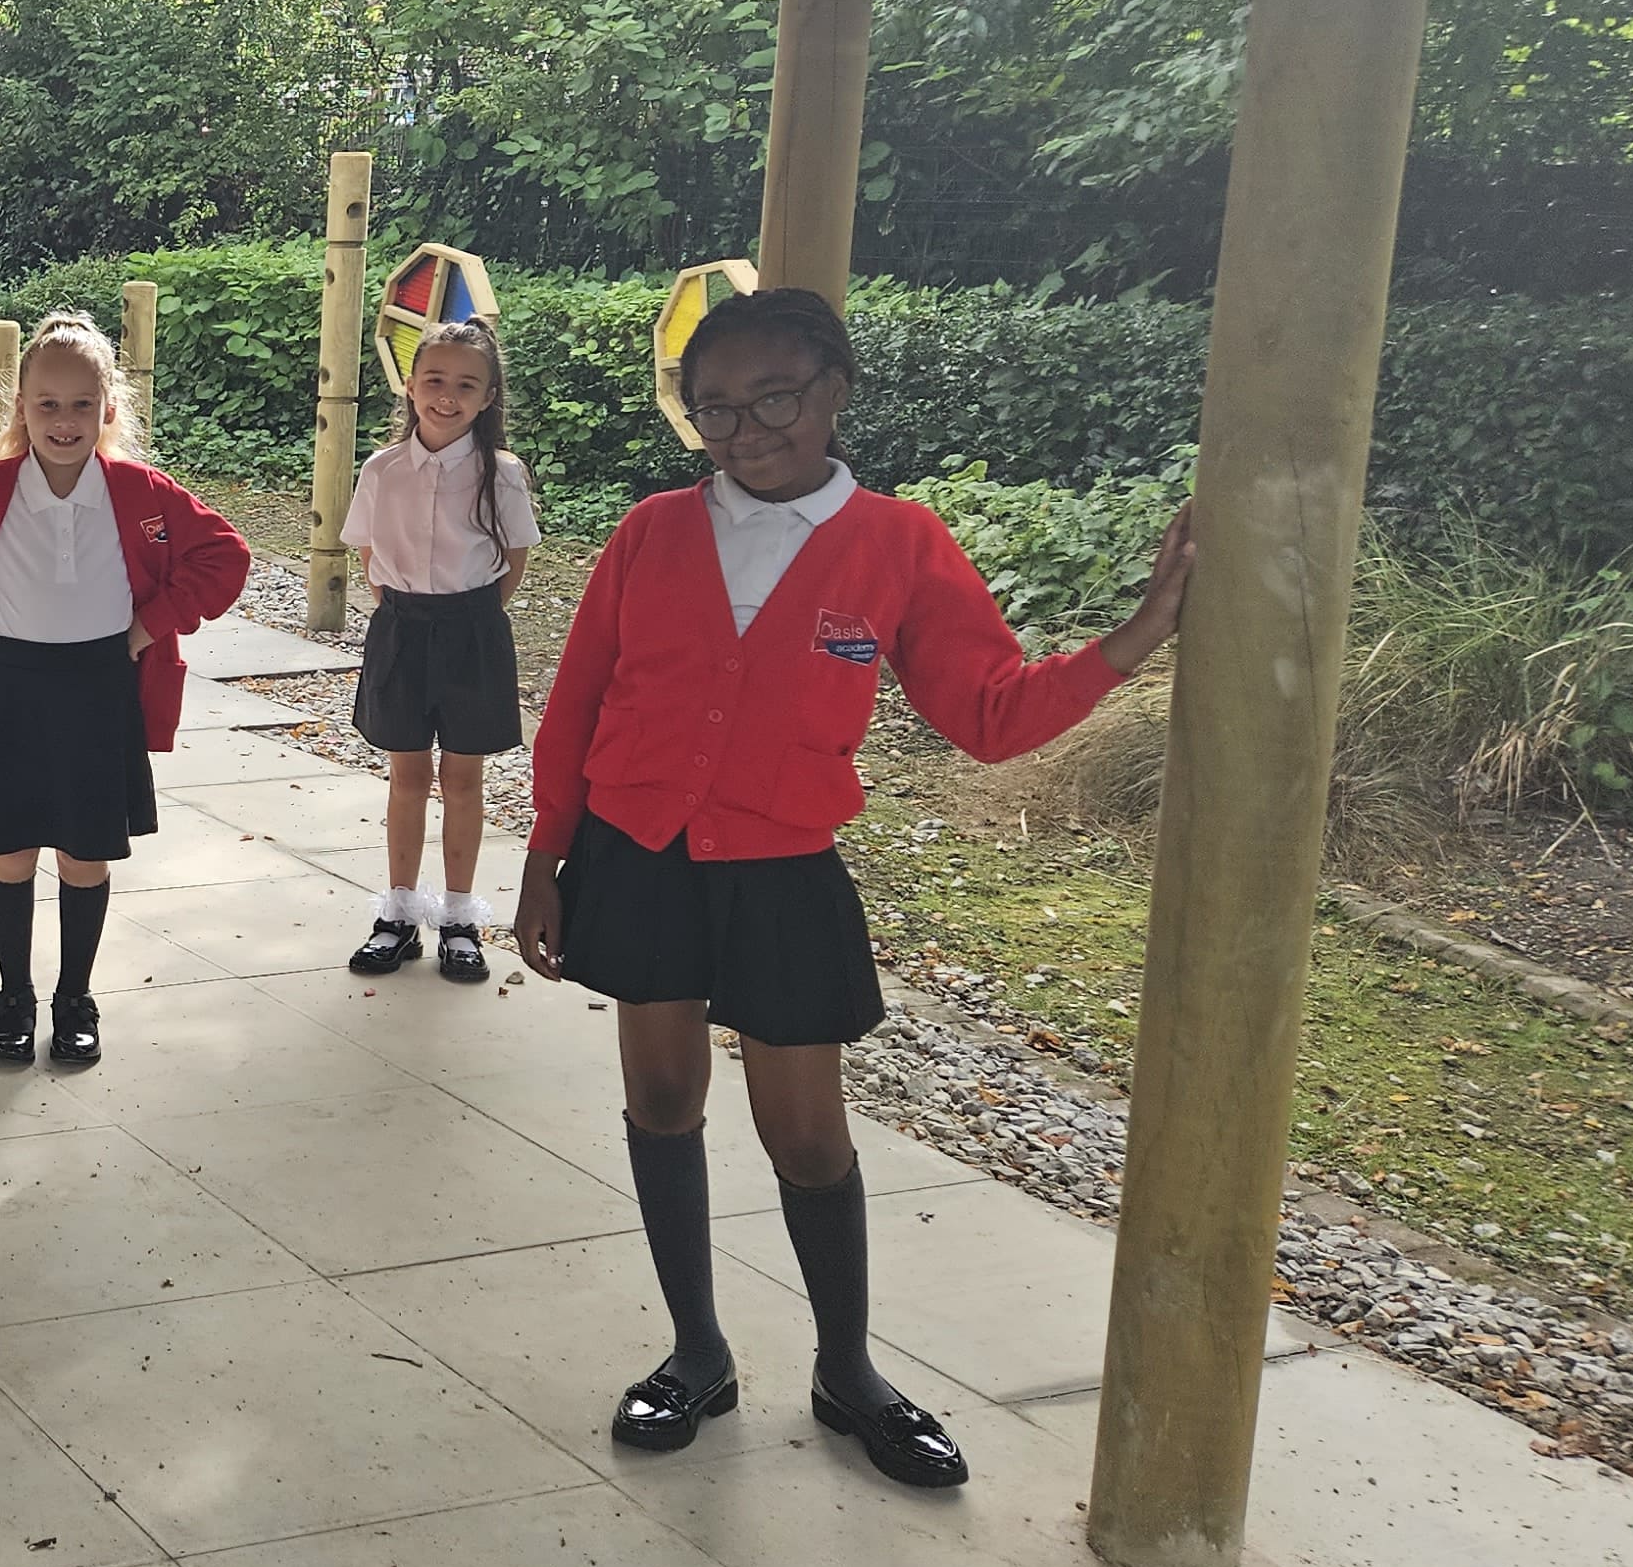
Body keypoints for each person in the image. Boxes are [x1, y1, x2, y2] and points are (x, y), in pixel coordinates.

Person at [514, 286, 1192, 1491]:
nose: (744, 428)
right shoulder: (649, 533)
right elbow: (577, 704)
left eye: (773, 396)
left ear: (833, 390)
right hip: (636, 853)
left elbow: (986, 714)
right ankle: (697, 1353)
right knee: (661, 1098)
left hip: (780, 867)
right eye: (711, 407)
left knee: (806, 1133)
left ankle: (846, 1370)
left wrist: (1134, 637)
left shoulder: (899, 544)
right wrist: (543, 858)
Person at [0, 312, 250, 1068]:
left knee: (85, 856)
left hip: (98, 691)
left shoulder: (143, 496)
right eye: (47, 403)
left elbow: (224, 557)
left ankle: (75, 998)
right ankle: (12, 998)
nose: (64, 420)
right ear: (19, 407)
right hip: (9, 689)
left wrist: (150, 627)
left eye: (82, 404)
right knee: (9, 853)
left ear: (109, 408)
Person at [344, 317, 540, 982]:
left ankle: (459, 918)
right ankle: (398, 914)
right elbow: (370, 551)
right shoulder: (383, 468)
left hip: (473, 631)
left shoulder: (502, 475)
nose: (447, 395)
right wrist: (405, 613)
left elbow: (512, 561)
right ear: (410, 385)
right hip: (401, 627)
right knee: (406, 776)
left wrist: (470, 619)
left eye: (466, 385)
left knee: (463, 779)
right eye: (434, 379)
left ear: (488, 397)